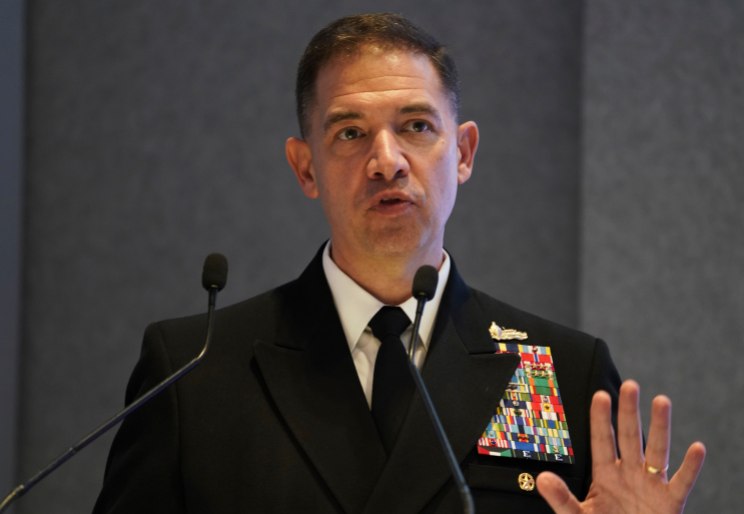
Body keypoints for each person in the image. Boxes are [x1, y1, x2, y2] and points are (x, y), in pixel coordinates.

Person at [93, 13, 705, 514]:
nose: (387, 161)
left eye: (416, 126)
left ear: (462, 153)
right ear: (305, 167)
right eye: (350, 134)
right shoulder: (193, 374)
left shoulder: (565, 372)